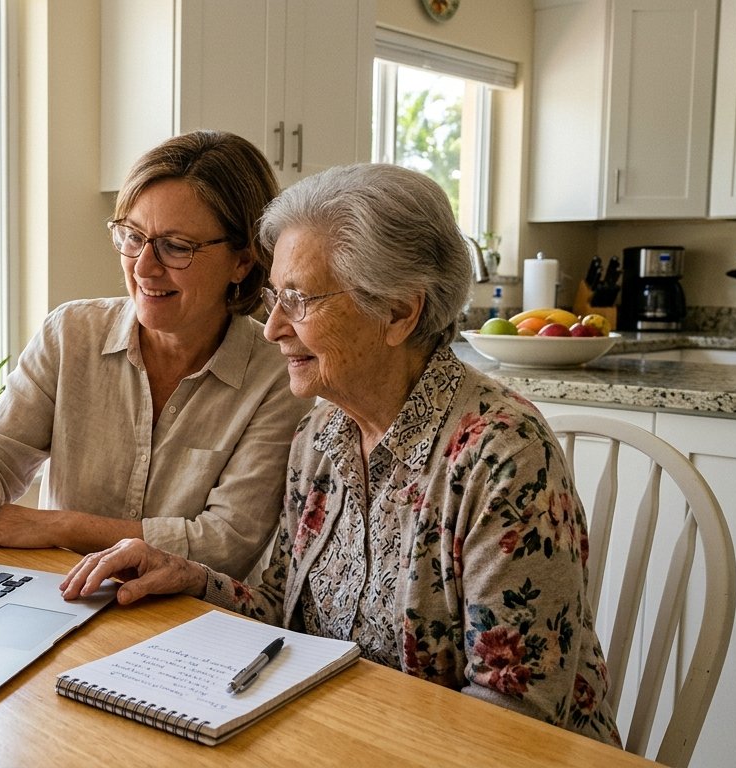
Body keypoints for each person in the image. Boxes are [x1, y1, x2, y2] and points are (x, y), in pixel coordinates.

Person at [60, 163, 622, 745]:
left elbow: (513, 719)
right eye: (276, 296)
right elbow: (285, 614)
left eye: (299, 300)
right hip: (340, 740)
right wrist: (188, 576)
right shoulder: (321, 434)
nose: (274, 325)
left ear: (400, 312)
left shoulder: (503, 459)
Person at [0, 130, 312, 577]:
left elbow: (226, 543)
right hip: (66, 603)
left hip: (189, 623)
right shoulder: (71, 332)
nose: (144, 268)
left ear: (243, 260)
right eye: (133, 237)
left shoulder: (277, 371)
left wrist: (61, 526)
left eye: (176, 247)